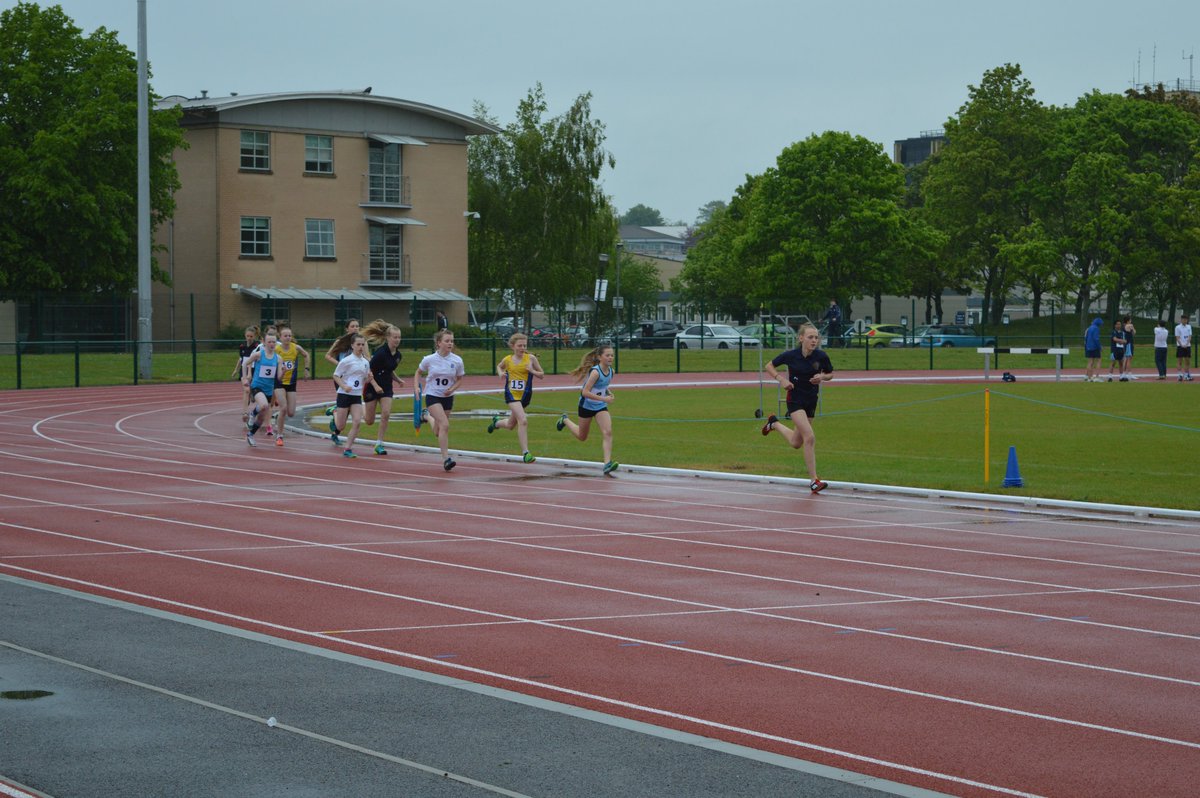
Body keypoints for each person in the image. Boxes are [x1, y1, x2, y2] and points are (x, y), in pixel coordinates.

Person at [761, 323, 833, 493]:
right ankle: (814, 481)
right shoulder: (790, 355)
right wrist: (781, 379)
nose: (814, 340)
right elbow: (769, 365)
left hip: (811, 401)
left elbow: (831, 374)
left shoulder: (821, 356)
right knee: (810, 437)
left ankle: (774, 424)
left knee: (796, 442)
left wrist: (822, 376)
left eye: (816, 337)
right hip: (795, 401)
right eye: (810, 337)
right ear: (801, 338)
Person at [556, 345, 618, 475]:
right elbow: (584, 392)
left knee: (608, 432)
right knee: (582, 436)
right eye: (607, 355)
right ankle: (565, 420)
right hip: (586, 406)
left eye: (612, 355)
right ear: (600, 357)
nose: (610, 357)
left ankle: (607, 463)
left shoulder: (611, 371)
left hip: (600, 407)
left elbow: (603, 387)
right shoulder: (595, 372)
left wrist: (609, 393)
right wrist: (605, 399)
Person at [488, 332, 545, 463]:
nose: (522, 348)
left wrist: (532, 371)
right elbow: (499, 366)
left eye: (524, 345)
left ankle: (496, 422)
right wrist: (501, 373)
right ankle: (526, 453)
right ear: (512, 346)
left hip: (525, 396)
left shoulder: (531, 359)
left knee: (510, 425)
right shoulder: (508, 359)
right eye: (519, 345)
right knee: (523, 420)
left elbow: (542, 375)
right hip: (511, 394)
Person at [415, 329, 465, 471]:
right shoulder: (429, 359)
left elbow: (460, 379)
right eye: (447, 341)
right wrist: (416, 388)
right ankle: (446, 459)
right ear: (439, 343)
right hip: (433, 395)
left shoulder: (457, 360)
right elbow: (418, 372)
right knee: (445, 425)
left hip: (447, 397)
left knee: (438, 430)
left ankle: (426, 417)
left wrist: (453, 388)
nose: (450, 343)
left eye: (452, 341)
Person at [329, 334, 382, 458]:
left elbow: (364, 379)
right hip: (344, 395)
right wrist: (344, 386)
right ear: (352, 345)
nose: (361, 347)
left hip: (356, 395)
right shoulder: (346, 361)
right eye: (358, 344)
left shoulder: (365, 362)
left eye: (363, 344)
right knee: (340, 426)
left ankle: (347, 448)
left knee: (357, 421)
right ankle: (335, 412)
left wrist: (369, 379)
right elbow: (336, 375)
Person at [361, 320, 405, 456]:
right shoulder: (380, 353)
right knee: (369, 421)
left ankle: (379, 443)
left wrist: (398, 380)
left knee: (386, 413)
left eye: (399, 337)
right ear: (388, 338)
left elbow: (388, 370)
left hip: (386, 387)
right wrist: (375, 385)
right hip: (371, 386)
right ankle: (356, 406)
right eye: (394, 337)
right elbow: (369, 371)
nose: (397, 340)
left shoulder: (398, 355)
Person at [269, 326, 311, 447]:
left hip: (291, 383)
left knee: (291, 413)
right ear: (280, 338)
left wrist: (306, 369)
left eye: (289, 336)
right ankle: (279, 436)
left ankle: (278, 399)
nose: (288, 338)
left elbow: (306, 355)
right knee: (283, 409)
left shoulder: (295, 347)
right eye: (285, 336)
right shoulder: (277, 349)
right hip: (279, 382)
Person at [242, 331, 280, 447]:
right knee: (264, 406)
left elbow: (278, 377)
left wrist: (283, 371)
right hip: (257, 386)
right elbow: (245, 364)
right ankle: (253, 413)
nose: (272, 344)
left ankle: (250, 434)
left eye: (274, 342)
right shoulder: (259, 354)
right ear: (264, 342)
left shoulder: (278, 358)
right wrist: (245, 378)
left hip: (269, 389)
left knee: (262, 417)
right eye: (269, 342)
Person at [234, 325, 259, 423]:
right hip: (243, 371)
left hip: (254, 370)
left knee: (251, 390)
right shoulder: (242, 346)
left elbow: (254, 360)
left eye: (251, 336)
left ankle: (252, 394)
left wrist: (250, 373)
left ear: (254, 336)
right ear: (245, 336)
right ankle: (245, 413)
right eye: (247, 336)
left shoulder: (257, 346)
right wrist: (236, 369)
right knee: (246, 390)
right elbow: (241, 359)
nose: (249, 338)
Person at [1083, 316, 1103, 382]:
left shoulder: (1089, 328)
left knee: (1090, 362)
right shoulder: (1096, 328)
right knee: (1099, 360)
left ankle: (1089, 377)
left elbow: (1086, 338)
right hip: (1094, 346)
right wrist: (1099, 347)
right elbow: (1096, 338)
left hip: (1088, 346)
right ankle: (1097, 377)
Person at [1175, 314, 1193, 382]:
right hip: (1180, 346)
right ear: (1181, 320)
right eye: (1183, 319)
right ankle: (1179, 375)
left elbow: (1190, 336)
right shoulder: (1177, 327)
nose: (1185, 321)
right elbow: (1177, 337)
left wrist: (1187, 344)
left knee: (1187, 361)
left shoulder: (1189, 326)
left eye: (1186, 319)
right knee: (1180, 361)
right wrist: (1181, 345)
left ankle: (1186, 375)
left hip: (1187, 346)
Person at [1122, 316, 1137, 380]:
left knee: (1126, 359)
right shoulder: (1129, 325)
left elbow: (1132, 334)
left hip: (1126, 344)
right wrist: (1133, 328)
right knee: (1129, 359)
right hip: (1129, 344)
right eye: (1130, 320)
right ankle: (1129, 374)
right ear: (1128, 321)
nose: (1131, 321)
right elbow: (1134, 332)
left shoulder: (1124, 326)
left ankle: (1124, 373)